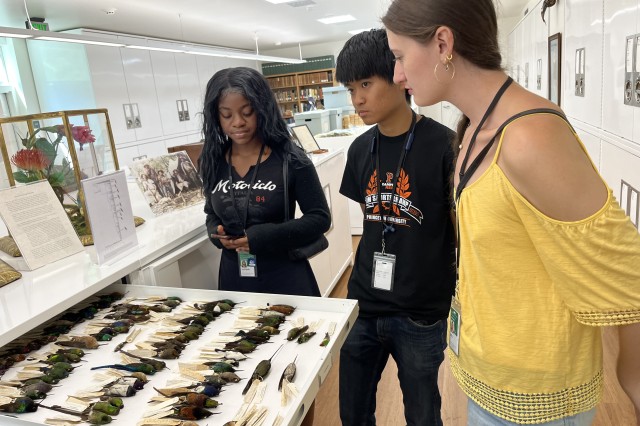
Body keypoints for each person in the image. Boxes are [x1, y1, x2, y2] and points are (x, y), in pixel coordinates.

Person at [382, 1, 640, 425]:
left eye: (399, 56)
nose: (397, 75)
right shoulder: (473, 130)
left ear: (443, 43)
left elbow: (628, 270)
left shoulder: (529, 137)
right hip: (490, 381)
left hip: (539, 402)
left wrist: (633, 381)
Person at [336, 29, 456, 426]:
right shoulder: (359, 150)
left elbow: (460, 232)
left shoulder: (444, 147)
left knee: (423, 416)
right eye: (351, 88)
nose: (357, 99)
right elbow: (373, 223)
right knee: (353, 413)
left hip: (420, 311)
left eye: (366, 84)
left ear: (398, 75)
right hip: (364, 304)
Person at [200, 66, 331, 298]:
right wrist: (216, 233)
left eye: (247, 112)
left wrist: (265, 236)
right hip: (235, 278)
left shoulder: (291, 158)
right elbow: (211, 212)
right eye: (227, 115)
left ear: (262, 109)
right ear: (216, 115)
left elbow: (319, 218)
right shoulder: (213, 161)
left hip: (285, 275)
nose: (237, 122)